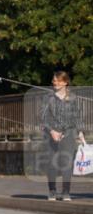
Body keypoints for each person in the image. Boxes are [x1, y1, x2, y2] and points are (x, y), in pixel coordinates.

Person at [40, 70, 86, 202]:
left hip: (69, 133)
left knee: (67, 163)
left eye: (58, 80)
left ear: (65, 82)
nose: (55, 83)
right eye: (54, 80)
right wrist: (52, 131)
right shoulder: (47, 98)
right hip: (51, 134)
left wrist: (80, 132)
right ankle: (52, 191)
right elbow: (42, 117)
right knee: (52, 163)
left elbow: (77, 116)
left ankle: (66, 192)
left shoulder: (73, 98)